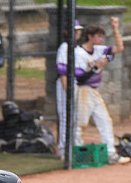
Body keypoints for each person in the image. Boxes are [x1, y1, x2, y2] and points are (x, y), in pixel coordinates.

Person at [73, 18, 124, 163]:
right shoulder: (79, 53)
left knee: (105, 120)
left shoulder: (98, 49)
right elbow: (80, 78)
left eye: (102, 37)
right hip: (83, 90)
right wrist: (96, 67)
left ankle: (111, 154)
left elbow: (119, 48)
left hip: (94, 91)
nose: (101, 40)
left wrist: (115, 29)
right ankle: (76, 154)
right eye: (98, 37)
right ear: (90, 37)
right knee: (81, 124)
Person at [55, 19, 83, 157]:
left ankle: (75, 147)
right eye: (74, 30)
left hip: (77, 85)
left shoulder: (78, 49)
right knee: (65, 117)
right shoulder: (64, 47)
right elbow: (62, 73)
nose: (77, 33)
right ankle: (63, 150)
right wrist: (68, 91)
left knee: (77, 117)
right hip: (65, 86)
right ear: (67, 32)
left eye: (78, 30)